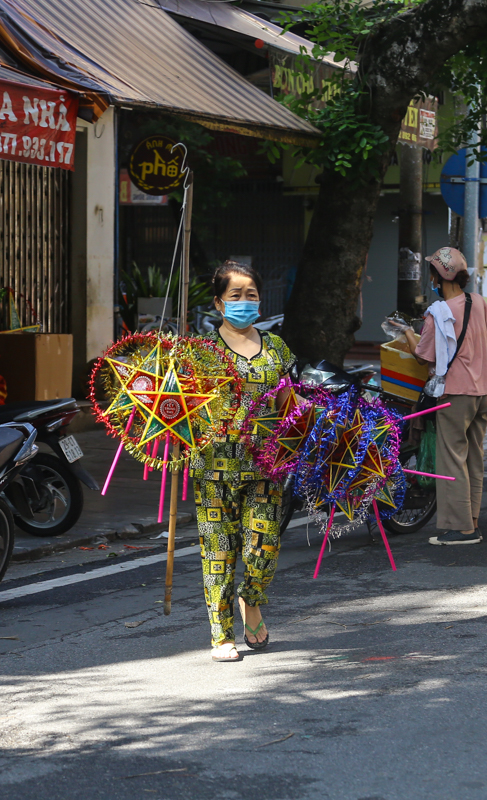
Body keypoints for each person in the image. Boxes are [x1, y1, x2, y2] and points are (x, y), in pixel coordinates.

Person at [193, 261, 295, 662]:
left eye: (250, 294)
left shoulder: (277, 348)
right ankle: (221, 635)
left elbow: (290, 403)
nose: (244, 302)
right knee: (218, 552)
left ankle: (250, 601)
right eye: (235, 296)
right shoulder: (201, 352)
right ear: (219, 303)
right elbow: (180, 407)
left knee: (263, 547)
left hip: (266, 466)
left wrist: (326, 422)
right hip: (214, 468)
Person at [403, 247, 487, 545]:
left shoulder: (438, 312)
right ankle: (472, 520)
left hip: (455, 393)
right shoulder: (479, 302)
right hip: (484, 390)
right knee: (473, 457)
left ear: (438, 277)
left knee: (452, 459)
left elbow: (422, 355)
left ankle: (461, 530)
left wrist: (406, 331)